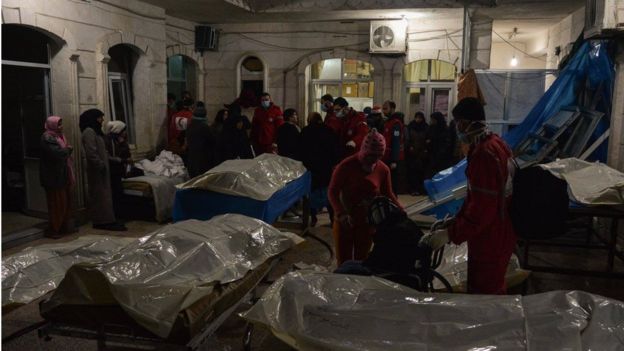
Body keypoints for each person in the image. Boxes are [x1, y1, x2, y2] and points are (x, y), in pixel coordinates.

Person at [419, 97, 516, 294]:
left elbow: (482, 209)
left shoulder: (483, 155)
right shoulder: (497, 143)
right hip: (503, 227)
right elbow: (477, 198)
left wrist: (450, 234)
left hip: (490, 236)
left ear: (464, 123)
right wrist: (457, 221)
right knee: (494, 286)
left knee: (484, 291)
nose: (458, 130)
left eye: (458, 124)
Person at [328, 129, 402, 266]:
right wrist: (341, 213)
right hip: (346, 221)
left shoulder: (383, 169)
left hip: (367, 222)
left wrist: (401, 211)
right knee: (344, 261)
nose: (373, 160)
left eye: (377, 156)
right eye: (371, 155)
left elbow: (388, 194)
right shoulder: (346, 166)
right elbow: (332, 191)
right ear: (364, 150)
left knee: (362, 260)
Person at [80, 109, 126, 231]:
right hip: (96, 171)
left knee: (104, 196)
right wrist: (100, 165)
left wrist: (112, 160)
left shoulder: (95, 131)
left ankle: (107, 220)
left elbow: (102, 152)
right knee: (100, 196)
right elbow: (91, 153)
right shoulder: (88, 132)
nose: (102, 120)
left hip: (101, 169)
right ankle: (102, 221)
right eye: (100, 118)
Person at [300, 112, 339, 227]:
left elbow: (300, 150)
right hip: (326, 168)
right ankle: (332, 218)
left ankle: (313, 219)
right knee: (329, 193)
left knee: (310, 194)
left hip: (311, 168)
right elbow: (335, 148)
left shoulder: (305, 131)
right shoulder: (328, 130)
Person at [40, 116, 76, 238]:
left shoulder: (58, 136)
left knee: (65, 202)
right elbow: (57, 154)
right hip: (54, 177)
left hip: (62, 174)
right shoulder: (47, 137)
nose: (61, 127)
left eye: (61, 124)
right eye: (59, 125)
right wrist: (68, 150)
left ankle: (62, 227)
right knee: (56, 204)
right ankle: (53, 229)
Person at [104, 120, 132, 217]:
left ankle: (121, 214)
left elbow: (128, 155)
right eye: (123, 130)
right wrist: (121, 160)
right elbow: (108, 156)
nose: (125, 133)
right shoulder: (108, 140)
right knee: (115, 193)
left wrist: (123, 143)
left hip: (119, 169)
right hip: (112, 170)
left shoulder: (119, 140)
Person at [186, 103, 218, 178]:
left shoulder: (190, 126)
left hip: (192, 158)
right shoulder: (204, 127)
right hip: (202, 160)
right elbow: (212, 141)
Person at [382, 111, 406, 194]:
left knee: (391, 179)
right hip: (392, 157)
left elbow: (395, 142)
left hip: (389, 156)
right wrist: (394, 160)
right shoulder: (396, 124)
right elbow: (396, 142)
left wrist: (394, 160)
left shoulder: (392, 124)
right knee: (393, 179)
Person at [406, 112, 429, 195]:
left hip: (422, 153)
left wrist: (426, 146)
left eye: (420, 118)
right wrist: (410, 146)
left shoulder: (426, 127)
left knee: (421, 172)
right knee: (412, 172)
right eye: (417, 117)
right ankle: (413, 189)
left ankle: (420, 189)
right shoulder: (411, 126)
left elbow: (428, 138)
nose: (418, 119)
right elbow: (407, 138)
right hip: (412, 153)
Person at [426, 111, 453, 177]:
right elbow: (427, 137)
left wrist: (440, 153)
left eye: (434, 119)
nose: (432, 121)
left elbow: (447, 143)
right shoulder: (431, 127)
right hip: (431, 155)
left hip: (442, 157)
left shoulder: (445, 129)